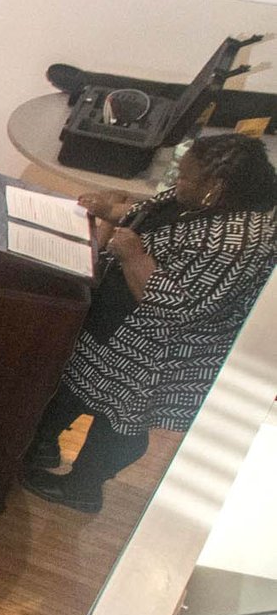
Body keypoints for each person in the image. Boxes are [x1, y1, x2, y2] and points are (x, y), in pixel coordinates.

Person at [26, 133, 277, 513]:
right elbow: (159, 215)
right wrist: (114, 210)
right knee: (71, 389)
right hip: (116, 324)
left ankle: (83, 488)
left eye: (187, 177)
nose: (178, 180)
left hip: (152, 352)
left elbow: (182, 309)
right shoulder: (202, 200)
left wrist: (134, 256)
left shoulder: (238, 242)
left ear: (215, 188)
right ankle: (40, 447)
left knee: (119, 422)